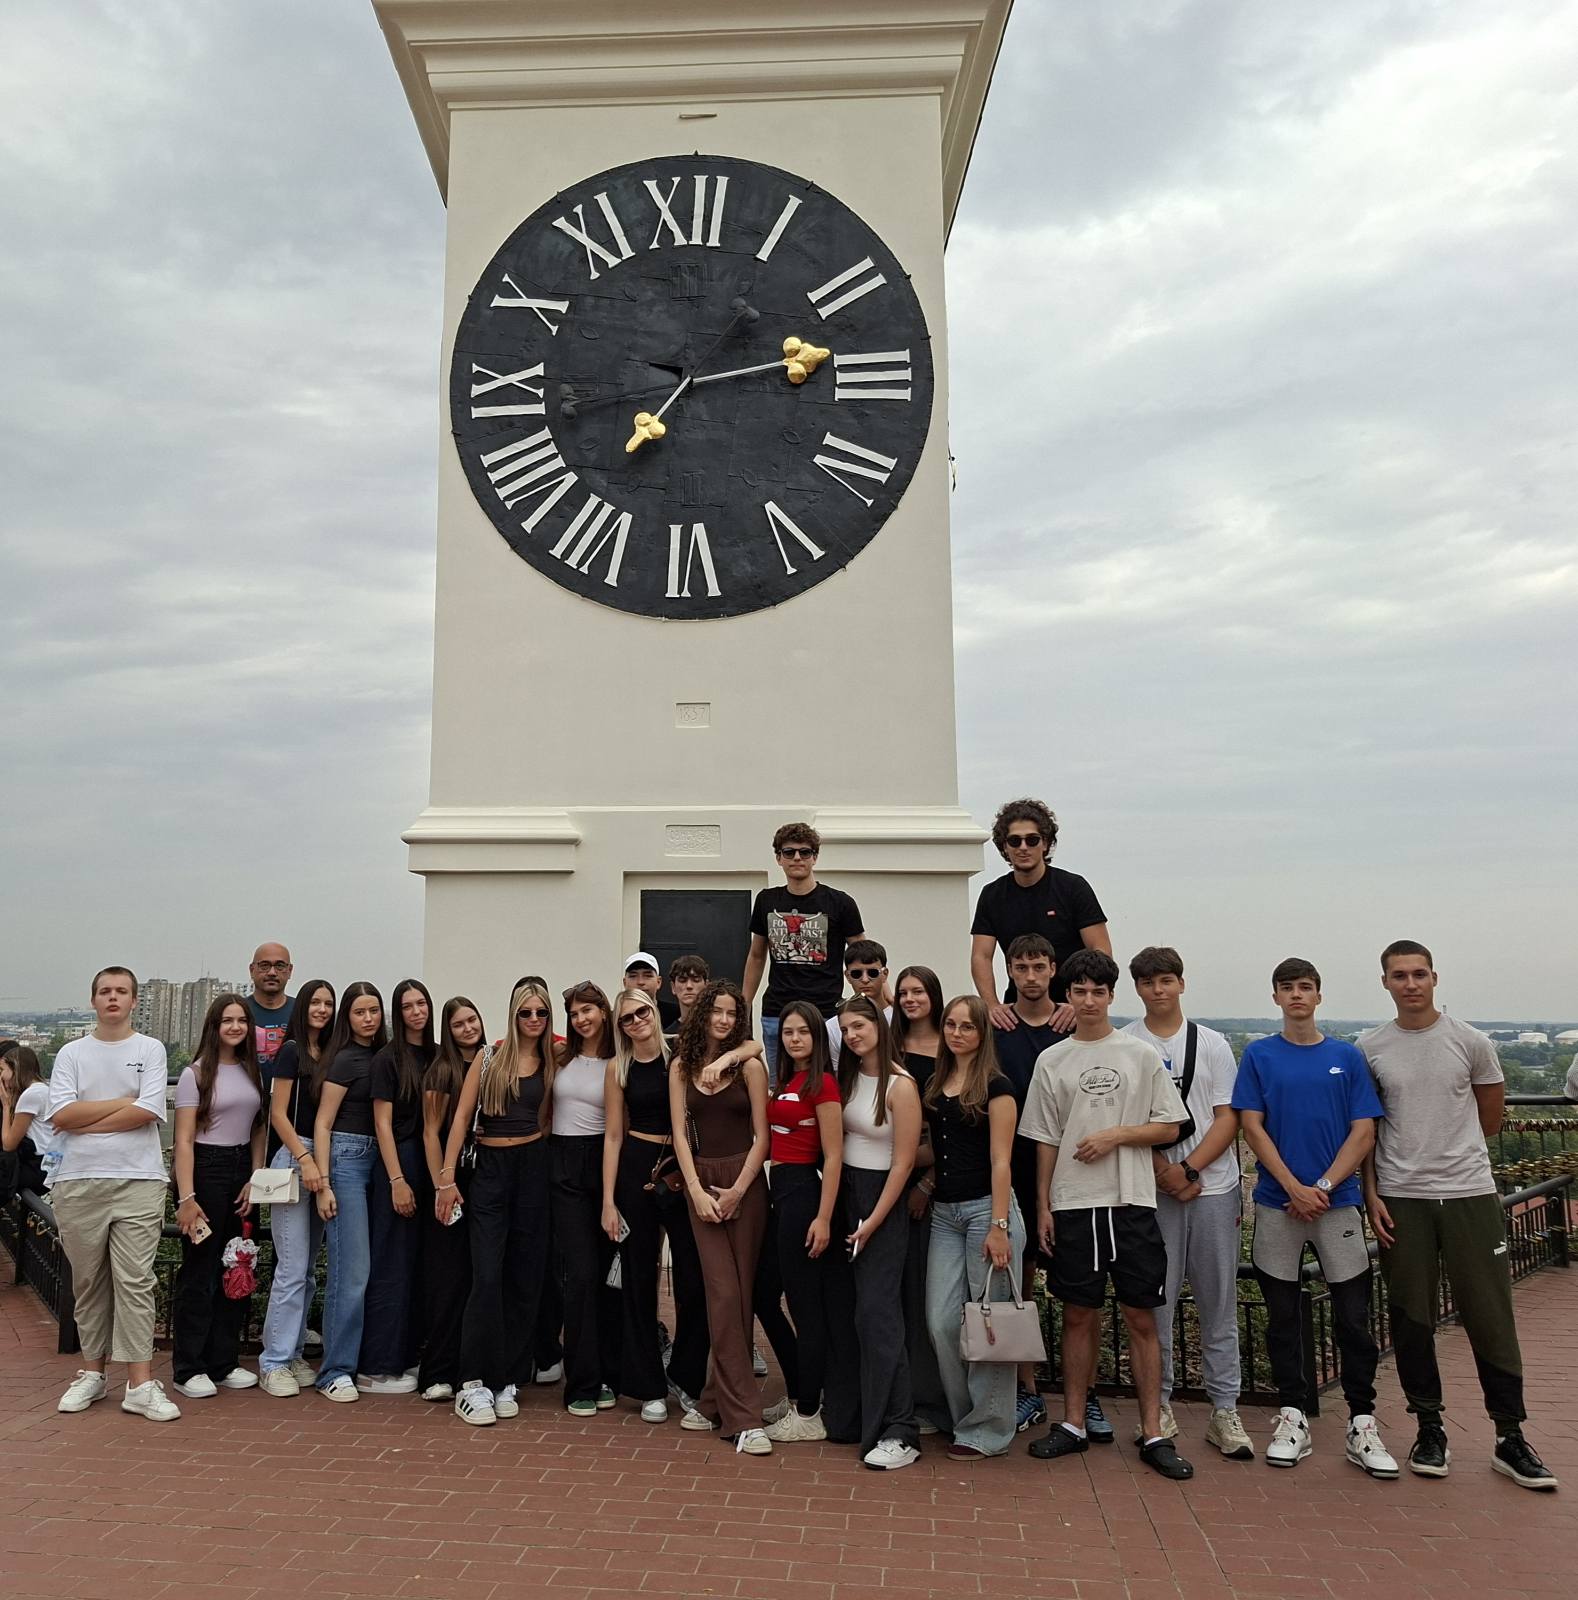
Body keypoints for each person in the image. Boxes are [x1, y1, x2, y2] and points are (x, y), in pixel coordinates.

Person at [1359, 940, 1557, 1490]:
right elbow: (1366, 1130)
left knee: (1490, 1314)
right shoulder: (1369, 1047)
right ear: (1385, 982)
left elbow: (1490, 1119)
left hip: (1469, 1193)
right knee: (1411, 1315)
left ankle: (1510, 1435)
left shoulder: (1471, 1041)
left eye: (1419, 974)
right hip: (1402, 1197)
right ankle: (1429, 1428)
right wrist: (1371, 1194)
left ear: (1434, 978)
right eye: (1400, 975)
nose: (1411, 983)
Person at [1017, 949, 1193, 1481]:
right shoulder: (1052, 1060)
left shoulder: (1139, 1055)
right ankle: (1072, 1423)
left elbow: (1171, 1125)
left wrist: (1116, 1135)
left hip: (1132, 1202)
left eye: (1098, 991)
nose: (1089, 1000)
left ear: (1112, 995)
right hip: (1073, 1204)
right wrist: (1043, 1205)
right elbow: (1044, 1139)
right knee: (1078, 1314)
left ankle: (1153, 1431)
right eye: (1080, 991)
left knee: (1141, 1317)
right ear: (1067, 996)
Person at [1233, 957, 1395, 1477]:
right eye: (1287, 988)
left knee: (1353, 1319)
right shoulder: (1259, 1055)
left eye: (1305, 987)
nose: (1297, 995)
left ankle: (1362, 1422)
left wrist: (1320, 1187)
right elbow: (1252, 1127)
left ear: (1319, 995)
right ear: (1276, 997)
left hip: (1336, 1203)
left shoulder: (1346, 1057)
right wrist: (1292, 1187)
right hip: (1278, 1204)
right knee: (1282, 1319)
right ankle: (1292, 1416)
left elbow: (1364, 1132)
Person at [1123, 947, 1252, 1459]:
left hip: (1213, 1188)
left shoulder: (1213, 1043)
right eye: (1148, 982)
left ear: (1181, 983)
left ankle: (1225, 1409)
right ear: (1137, 988)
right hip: (1151, 1190)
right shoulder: (1127, 1042)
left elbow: (1227, 1116)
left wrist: (1190, 1169)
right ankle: (1159, 1405)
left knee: (1219, 1302)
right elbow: (1126, 1119)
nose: (1158, 990)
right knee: (1156, 1304)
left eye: (1166, 980)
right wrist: (1165, 1172)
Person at [48, 966, 180, 1422]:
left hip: (138, 1180)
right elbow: (60, 1115)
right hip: (77, 1180)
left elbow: (150, 1109)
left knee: (135, 1281)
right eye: (105, 991)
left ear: (134, 1000)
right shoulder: (71, 1053)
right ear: (93, 1000)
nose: (112, 998)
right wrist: (125, 1102)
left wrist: (86, 1120)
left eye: (122, 991)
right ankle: (92, 1373)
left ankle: (140, 1384)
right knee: (88, 1283)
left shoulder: (150, 1048)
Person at [440, 981, 555, 1426]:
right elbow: (460, 1119)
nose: (533, 1020)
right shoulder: (489, 1058)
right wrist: (446, 1179)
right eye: (525, 1012)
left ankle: (508, 1378)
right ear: (513, 1014)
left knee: (525, 1277)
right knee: (486, 1275)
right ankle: (472, 1381)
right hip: (490, 1170)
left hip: (534, 1168)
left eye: (540, 1012)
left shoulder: (553, 1060)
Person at [921, 994, 1026, 1461]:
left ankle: (990, 1428)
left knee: (989, 1325)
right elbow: (939, 1150)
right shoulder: (935, 1083)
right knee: (941, 1321)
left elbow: (1002, 1160)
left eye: (967, 1026)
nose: (957, 1033)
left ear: (983, 1033)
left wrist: (1000, 1225)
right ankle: (963, 1417)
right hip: (945, 1214)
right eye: (951, 1024)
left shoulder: (997, 1087)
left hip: (988, 1210)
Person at [669, 980, 773, 1453]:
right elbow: (679, 1135)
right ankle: (745, 1418)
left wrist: (739, 1190)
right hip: (701, 1185)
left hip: (744, 1184)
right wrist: (695, 1191)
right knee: (724, 1295)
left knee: (741, 1296)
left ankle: (714, 1401)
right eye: (717, 1011)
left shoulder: (749, 1067)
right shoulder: (681, 1067)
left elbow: (762, 1137)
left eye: (732, 1013)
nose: (724, 1020)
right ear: (703, 1014)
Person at [989, 934, 1084, 1438]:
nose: (1030, 976)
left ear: (1053, 970)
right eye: (1021, 967)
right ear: (1010, 971)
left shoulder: (1072, 1024)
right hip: (1015, 1170)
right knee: (1019, 1287)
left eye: (1038, 966)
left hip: (1074, 1171)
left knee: (1079, 1290)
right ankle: (1026, 1389)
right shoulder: (997, 1028)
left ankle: (1082, 1397)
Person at [761, 1000, 859, 1446]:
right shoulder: (786, 1080)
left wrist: (823, 1217)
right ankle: (802, 1389)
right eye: (788, 1032)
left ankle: (808, 1413)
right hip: (779, 1193)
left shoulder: (824, 1084)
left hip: (805, 1195)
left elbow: (834, 1155)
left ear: (818, 1037)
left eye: (803, 1031)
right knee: (764, 1296)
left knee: (806, 1309)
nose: (795, 1039)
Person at [601, 988, 700, 1422]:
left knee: (693, 1275)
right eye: (627, 1018)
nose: (637, 1021)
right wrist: (608, 1200)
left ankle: (686, 1374)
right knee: (638, 1278)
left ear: (655, 1011)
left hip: (679, 1166)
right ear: (619, 1027)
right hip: (636, 1164)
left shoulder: (679, 1054)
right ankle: (648, 1386)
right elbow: (613, 1135)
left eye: (642, 1011)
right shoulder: (618, 1067)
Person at [837, 995, 923, 1469]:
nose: (852, 1035)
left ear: (879, 1026)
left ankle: (900, 1429)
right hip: (847, 1194)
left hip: (880, 1205)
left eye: (860, 1026)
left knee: (879, 1316)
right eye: (846, 1028)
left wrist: (872, 1221)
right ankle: (857, 1416)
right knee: (856, 1315)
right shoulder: (849, 1076)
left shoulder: (901, 1086)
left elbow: (903, 1163)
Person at [171, 993, 266, 1398]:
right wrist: (186, 1197)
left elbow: (259, 1127)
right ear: (214, 1026)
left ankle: (223, 1361)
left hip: (243, 1170)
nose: (235, 1027)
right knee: (201, 1270)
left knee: (237, 1263)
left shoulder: (252, 1070)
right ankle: (189, 1367)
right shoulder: (194, 1074)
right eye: (227, 1020)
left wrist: (256, 1177)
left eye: (241, 1020)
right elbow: (183, 1140)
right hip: (205, 1170)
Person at [970, 798, 1109, 1033]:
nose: (1023, 847)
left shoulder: (1073, 888)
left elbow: (1100, 951)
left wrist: (1081, 1003)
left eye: (1032, 839)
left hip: (1071, 1015)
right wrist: (991, 1005)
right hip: (1016, 1015)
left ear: (1045, 843)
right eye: (1015, 841)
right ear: (1005, 847)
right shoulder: (992, 895)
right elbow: (981, 956)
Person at [258, 978, 336, 1396]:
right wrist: (305, 1160)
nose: (322, 1009)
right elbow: (278, 1114)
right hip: (295, 1159)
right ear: (302, 1006)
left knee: (306, 1270)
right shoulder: (291, 1051)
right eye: (315, 1002)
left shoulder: (331, 1053)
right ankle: (273, 1361)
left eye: (328, 1003)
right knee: (290, 1268)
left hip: (321, 1157)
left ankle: (292, 1354)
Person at [311, 982, 387, 1402]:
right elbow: (323, 1123)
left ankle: (365, 1361)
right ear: (348, 1017)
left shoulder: (383, 1055)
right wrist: (323, 1184)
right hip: (346, 1162)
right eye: (360, 1012)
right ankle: (334, 1370)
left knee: (374, 1269)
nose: (368, 1019)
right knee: (350, 1271)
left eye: (374, 1010)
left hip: (380, 1161)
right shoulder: (344, 1059)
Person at [357, 978, 433, 1394]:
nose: (416, 1011)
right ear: (397, 1013)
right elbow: (382, 1124)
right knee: (391, 1265)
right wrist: (396, 1180)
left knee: (420, 1266)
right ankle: (376, 1366)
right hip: (399, 1162)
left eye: (421, 1003)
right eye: (407, 1006)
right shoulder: (387, 1059)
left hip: (431, 1164)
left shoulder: (436, 1054)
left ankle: (408, 1356)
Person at [553, 980, 624, 1416]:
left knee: (608, 1277)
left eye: (588, 1010)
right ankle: (580, 1382)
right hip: (562, 1166)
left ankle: (609, 1374)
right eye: (575, 1013)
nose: (581, 1019)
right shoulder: (560, 1056)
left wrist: (610, 1197)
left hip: (604, 1163)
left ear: (603, 1012)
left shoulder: (619, 1061)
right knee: (579, 1275)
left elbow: (615, 1131)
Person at [743, 822, 864, 1073]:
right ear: (779, 858)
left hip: (827, 1013)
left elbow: (863, 955)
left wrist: (875, 1001)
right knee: (781, 1086)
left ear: (814, 857)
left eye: (805, 852)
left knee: (831, 1084)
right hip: (777, 1013)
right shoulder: (766, 900)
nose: (797, 857)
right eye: (789, 852)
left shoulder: (840, 902)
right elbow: (756, 956)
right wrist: (744, 1003)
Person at [889, 965, 950, 1436]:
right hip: (886, 1177)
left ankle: (933, 1398)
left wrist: (927, 1182)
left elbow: (956, 1126)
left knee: (930, 1295)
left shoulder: (951, 1048)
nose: (911, 999)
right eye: (904, 992)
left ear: (934, 996)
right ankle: (899, 1394)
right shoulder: (889, 1048)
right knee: (898, 1292)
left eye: (919, 992)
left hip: (935, 1185)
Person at [417, 995, 484, 1403]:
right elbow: (430, 1133)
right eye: (458, 1024)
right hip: (450, 1181)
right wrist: (442, 1184)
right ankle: (437, 1372)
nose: (468, 1028)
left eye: (472, 1020)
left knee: (478, 1275)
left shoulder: (493, 1062)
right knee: (449, 1277)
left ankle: (470, 1366)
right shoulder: (442, 1069)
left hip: (485, 1180)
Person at [2, 1045, 60, 1195]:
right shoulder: (42, 1089)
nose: (1, 1076)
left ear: (15, 1069)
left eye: (3, 1070)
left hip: (39, 1168)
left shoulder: (31, 1095)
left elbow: (8, 1144)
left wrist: (6, 1106)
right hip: (51, 1164)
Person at [246, 942, 295, 1085]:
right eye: (264, 965)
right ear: (252, 970)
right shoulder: (236, 1012)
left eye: (280, 966)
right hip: (244, 1095)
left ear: (290, 970)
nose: (272, 972)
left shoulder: (302, 1012)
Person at [624, 953, 680, 1031]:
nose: (640, 982)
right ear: (624, 983)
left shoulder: (676, 1014)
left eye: (647, 976)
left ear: (658, 982)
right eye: (633, 976)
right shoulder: (617, 1018)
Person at [668, 954, 710, 1032]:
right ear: (673, 987)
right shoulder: (668, 1035)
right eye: (682, 980)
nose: (689, 986)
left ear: (706, 986)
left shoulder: (717, 1030)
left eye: (696, 980)